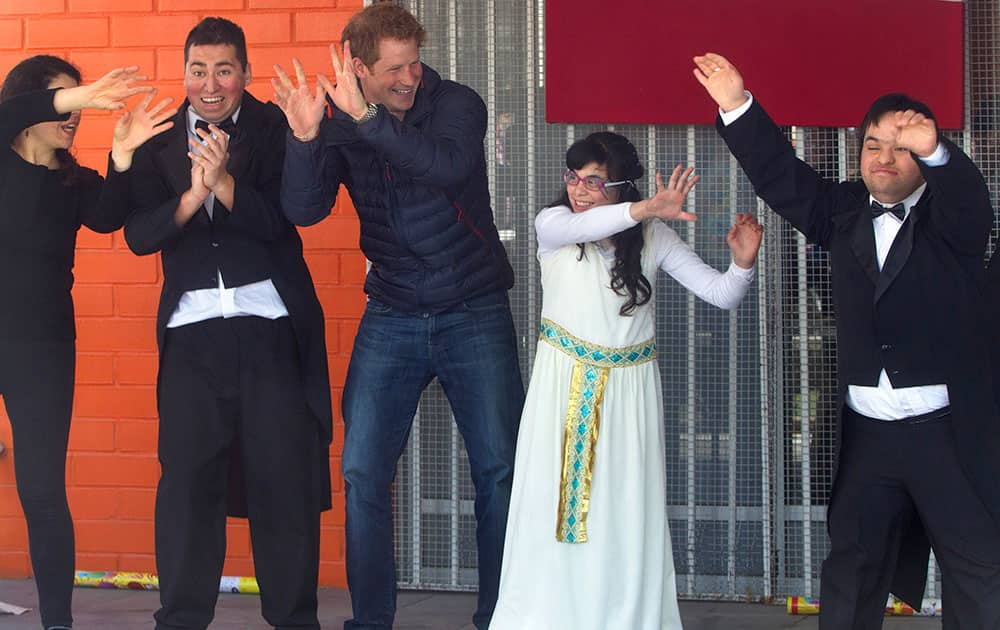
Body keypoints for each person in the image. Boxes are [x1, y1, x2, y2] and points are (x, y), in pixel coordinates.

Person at [694, 52, 1000, 629]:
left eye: (902, 147)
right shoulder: (842, 210)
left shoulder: (953, 218)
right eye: (872, 145)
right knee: (851, 574)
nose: (884, 158)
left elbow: (967, 199)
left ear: (926, 156)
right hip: (869, 436)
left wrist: (937, 150)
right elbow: (781, 177)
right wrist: (737, 103)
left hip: (948, 435)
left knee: (978, 576)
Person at [271, 4, 525, 629]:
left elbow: (445, 167)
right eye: (393, 69)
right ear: (359, 67)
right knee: (361, 471)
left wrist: (365, 117)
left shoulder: (458, 104)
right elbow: (303, 211)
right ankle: (371, 622)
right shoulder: (338, 118)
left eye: (414, 62)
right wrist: (305, 139)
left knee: (499, 471)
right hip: (393, 309)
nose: (410, 77)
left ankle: (499, 616)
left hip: (473, 305)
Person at [489, 132, 761, 630]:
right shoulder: (554, 227)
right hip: (562, 390)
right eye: (574, 177)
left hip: (630, 395)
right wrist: (647, 208)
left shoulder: (654, 238)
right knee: (550, 510)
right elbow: (596, 221)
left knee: (625, 510)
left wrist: (742, 263)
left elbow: (721, 295)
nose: (579, 189)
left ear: (621, 185)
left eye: (595, 181)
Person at [111, 17, 332, 630]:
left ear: (245, 74)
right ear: (184, 73)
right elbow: (135, 234)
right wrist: (189, 197)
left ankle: (294, 619)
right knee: (185, 483)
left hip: (268, 327)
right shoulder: (158, 139)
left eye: (224, 69)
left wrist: (226, 183)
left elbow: (290, 220)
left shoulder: (273, 125)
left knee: (282, 480)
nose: (211, 84)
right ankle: (180, 617)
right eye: (198, 69)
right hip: (190, 335)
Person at [0, 56, 172, 630]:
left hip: (42, 349)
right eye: (65, 102)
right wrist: (87, 94)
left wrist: (121, 155)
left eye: (81, 102)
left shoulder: (73, 182)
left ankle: (57, 623)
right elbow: (11, 112)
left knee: (42, 493)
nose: (78, 113)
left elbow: (108, 217)